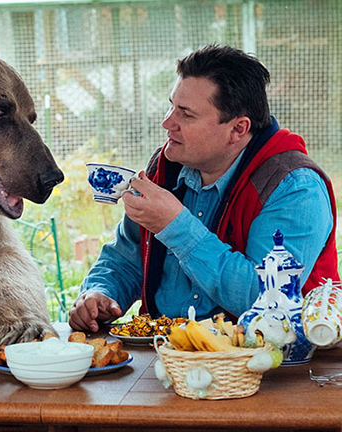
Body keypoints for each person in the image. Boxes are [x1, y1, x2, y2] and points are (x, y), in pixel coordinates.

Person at [70, 45, 338, 333]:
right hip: (166, 354)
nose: (167, 122)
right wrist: (100, 294)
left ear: (238, 129)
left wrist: (175, 225)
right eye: (171, 105)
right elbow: (126, 259)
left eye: (185, 114)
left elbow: (266, 300)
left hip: (272, 365)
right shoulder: (166, 167)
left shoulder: (294, 187)